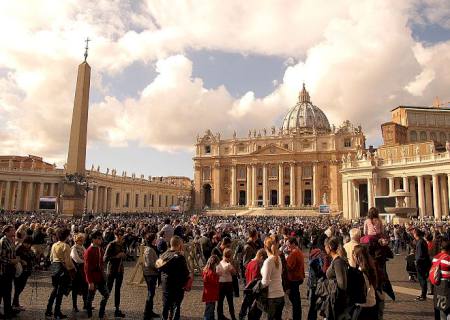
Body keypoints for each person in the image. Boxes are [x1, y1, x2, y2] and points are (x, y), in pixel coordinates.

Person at [157, 235, 190, 320]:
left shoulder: (164, 255)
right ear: (179, 245)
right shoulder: (180, 257)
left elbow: (158, 268)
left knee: (166, 305)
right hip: (177, 285)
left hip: (166, 284)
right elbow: (185, 272)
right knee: (176, 306)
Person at [45, 228, 75, 320]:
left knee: (55, 290)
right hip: (62, 268)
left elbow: (50, 258)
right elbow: (68, 261)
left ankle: (48, 309)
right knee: (60, 291)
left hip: (54, 267)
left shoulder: (54, 245)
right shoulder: (66, 246)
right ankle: (57, 312)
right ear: (66, 236)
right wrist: (73, 270)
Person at [84, 230, 109, 319]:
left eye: (101, 238)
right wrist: (90, 281)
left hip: (100, 277)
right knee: (90, 298)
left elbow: (101, 262)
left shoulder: (100, 249)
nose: (100, 240)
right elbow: (86, 268)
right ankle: (89, 316)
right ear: (93, 239)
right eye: (98, 238)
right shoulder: (89, 251)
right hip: (93, 277)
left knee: (106, 294)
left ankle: (101, 314)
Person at [104, 228, 127, 318]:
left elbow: (124, 255)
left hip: (120, 270)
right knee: (108, 289)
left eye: (121, 235)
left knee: (118, 291)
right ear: (115, 235)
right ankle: (102, 308)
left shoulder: (123, 244)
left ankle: (117, 309)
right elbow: (105, 258)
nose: (120, 237)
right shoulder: (111, 244)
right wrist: (116, 256)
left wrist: (124, 255)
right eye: (119, 235)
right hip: (112, 270)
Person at [260, 236, 285, 320]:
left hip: (272, 296)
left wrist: (257, 285)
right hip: (280, 294)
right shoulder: (277, 258)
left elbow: (265, 282)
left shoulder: (268, 261)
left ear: (264, 247)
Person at [239, 248, 267, 320]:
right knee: (254, 314)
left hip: (248, 290)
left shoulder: (250, 263)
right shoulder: (257, 265)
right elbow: (256, 280)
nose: (263, 262)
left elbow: (246, 275)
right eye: (263, 259)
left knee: (250, 311)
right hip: (254, 292)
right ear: (261, 257)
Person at [324, 236, 348, 319]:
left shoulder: (338, 262)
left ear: (330, 247)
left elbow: (342, 284)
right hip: (334, 298)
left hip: (337, 301)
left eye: (325, 246)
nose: (324, 248)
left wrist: (328, 283)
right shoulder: (335, 260)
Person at [0, 225, 20, 319]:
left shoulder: (11, 240)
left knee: (8, 291)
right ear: (6, 232)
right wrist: (12, 261)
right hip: (4, 269)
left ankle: (8, 311)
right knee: (4, 291)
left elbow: (12, 253)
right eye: (12, 230)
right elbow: (1, 257)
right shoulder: (3, 241)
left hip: (11, 269)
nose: (14, 231)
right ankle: (7, 312)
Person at [353, 245, 377, 320]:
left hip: (362, 306)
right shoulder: (370, 268)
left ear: (358, 257)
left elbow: (359, 292)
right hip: (372, 303)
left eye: (353, 254)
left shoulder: (360, 272)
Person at [13, 236, 35, 311]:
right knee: (18, 288)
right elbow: (15, 256)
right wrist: (21, 261)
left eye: (29, 244)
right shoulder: (19, 248)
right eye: (26, 243)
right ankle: (15, 304)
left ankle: (16, 303)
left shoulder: (28, 249)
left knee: (21, 287)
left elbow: (32, 256)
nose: (28, 245)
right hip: (21, 271)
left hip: (27, 270)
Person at [286, 237, 305, 320]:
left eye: (288, 245)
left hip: (294, 278)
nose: (287, 246)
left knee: (295, 300)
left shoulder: (294, 253)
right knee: (296, 300)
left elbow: (288, 267)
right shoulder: (298, 251)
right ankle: (297, 317)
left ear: (293, 244)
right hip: (298, 277)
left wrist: (285, 259)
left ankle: (296, 317)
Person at [216, 248, 237, 320]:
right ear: (230, 256)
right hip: (228, 284)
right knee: (230, 302)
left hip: (220, 283)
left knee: (220, 301)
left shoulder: (219, 263)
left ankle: (220, 316)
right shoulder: (228, 265)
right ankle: (233, 317)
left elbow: (217, 273)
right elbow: (234, 273)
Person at [143, 232, 160, 320]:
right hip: (150, 273)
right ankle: (147, 313)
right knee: (150, 293)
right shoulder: (149, 249)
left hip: (151, 273)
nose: (157, 240)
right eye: (155, 238)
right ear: (152, 240)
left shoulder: (151, 248)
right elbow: (150, 264)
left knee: (151, 293)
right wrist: (158, 267)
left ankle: (150, 311)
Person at [432, 240, 450, 319]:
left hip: (437, 284)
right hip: (446, 285)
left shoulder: (435, 258)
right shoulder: (448, 259)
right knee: (447, 308)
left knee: (438, 305)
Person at [70, 233, 87, 312]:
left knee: (85, 287)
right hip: (77, 270)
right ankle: (74, 306)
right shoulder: (73, 248)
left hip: (83, 270)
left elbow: (86, 255)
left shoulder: (82, 247)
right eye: (81, 240)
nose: (82, 242)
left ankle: (85, 304)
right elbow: (76, 259)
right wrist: (85, 261)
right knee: (75, 288)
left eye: (82, 240)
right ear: (77, 241)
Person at [414, 228, 431, 301]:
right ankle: (423, 294)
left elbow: (420, 254)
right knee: (422, 279)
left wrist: (416, 261)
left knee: (422, 279)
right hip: (423, 262)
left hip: (421, 263)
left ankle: (423, 295)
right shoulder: (421, 241)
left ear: (416, 234)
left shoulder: (420, 242)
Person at [202, 255, 220, 320]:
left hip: (207, 293)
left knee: (210, 309)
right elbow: (215, 282)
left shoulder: (205, 270)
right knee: (209, 311)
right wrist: (218, 276)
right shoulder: (212, 273)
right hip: (212, 294)